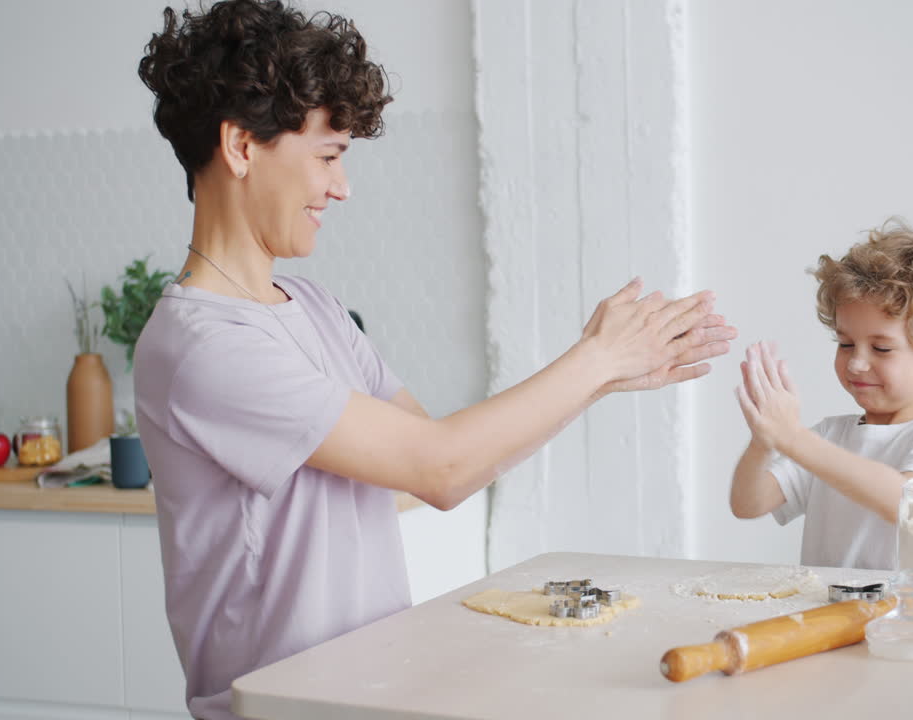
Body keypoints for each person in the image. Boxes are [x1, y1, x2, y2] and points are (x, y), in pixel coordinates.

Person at [133, 1, 735, 717]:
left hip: (365, 693)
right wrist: (594, 361)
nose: (341, 187)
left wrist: (601, 377)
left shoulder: (314, 308)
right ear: (240, 147)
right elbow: (439, 467)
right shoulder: (204, 346)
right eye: (327, 157)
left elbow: (438, 465)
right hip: (280, 707)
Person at [729, 218, 913, 570]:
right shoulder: (830, 435)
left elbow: (904, 505)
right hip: (830, 617)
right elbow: (748, 504)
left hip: (904, 621)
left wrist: (794, 439)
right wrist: (764, 444)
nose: (856, 363)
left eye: (882, 349)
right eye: (845, 343)